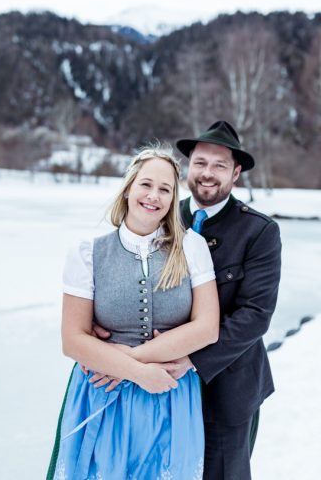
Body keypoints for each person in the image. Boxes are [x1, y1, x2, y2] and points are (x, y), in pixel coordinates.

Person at [47, 146, 219, 480]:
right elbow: (73, 340)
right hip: (102, 395)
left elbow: (206, 328)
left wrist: (131, 363)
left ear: (173, 199)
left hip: (170, 395)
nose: (154, 196)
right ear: (128, 188)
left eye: (165, 189)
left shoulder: (190, 247)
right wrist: (137, 373)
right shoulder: (89, 253)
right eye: (146, 184)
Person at [174, 120, 282, 479]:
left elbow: (256, 314)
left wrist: (190, 358)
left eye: (219, 166)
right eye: (200, 163)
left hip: (228, 388)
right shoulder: (164, 218)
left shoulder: (259, 231)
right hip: (162, 385)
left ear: (236, 174)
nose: (208, 173)